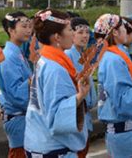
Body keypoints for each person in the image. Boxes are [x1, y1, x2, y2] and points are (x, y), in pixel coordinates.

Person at [24, 9, 90, 157]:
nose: (74, 33)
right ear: (57, 37)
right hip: (52, 147)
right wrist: (80, 96)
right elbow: (57, 115)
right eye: (69, 29)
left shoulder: (45, 59)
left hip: (39, 140)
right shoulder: (55, 69)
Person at [95, 14, 132, 158]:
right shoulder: (113, 59)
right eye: (123, 26)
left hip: (126, 131)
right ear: (115, 32)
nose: (125, 30)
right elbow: (123, 100)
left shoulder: (114, 55)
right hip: (124, 133)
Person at [0, 12, 33, 158]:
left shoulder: (17, 53)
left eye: (29, 26)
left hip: (23, 118)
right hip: (18, 118)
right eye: (23, 26)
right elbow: (16, 94)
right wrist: (32, 80)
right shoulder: (8, 57)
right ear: (10, 30)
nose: (28, 30)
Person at [65, 17, 98, 158]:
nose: (85, 36)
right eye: (80, 32)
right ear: (71, 33)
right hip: (76, 112)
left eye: (87, 32)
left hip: (84, 111)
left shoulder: (82, 55)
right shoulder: (68, 55)